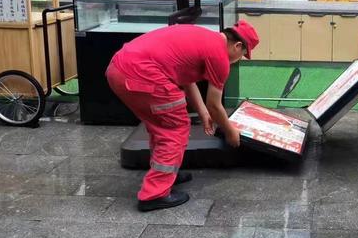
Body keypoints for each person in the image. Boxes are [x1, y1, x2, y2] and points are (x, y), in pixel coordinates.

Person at [106, 20, 259, 211]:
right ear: (238, 46)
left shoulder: (205, 38)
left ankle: (166, 172)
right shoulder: (220, 56)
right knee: (174, 127)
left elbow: (188, 82)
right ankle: (154, 194)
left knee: (161, 125)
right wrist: (230, 131)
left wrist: (203, 114)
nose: (238, 60)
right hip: (140, 74)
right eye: (242, 55)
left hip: (118, 68)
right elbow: (215, 104)